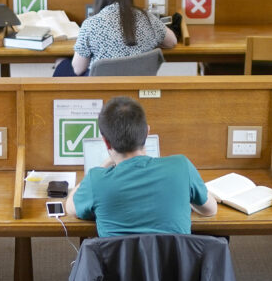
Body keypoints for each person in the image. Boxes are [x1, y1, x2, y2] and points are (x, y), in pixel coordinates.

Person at [65, 97, 217, 237]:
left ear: (105, 142)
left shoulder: (96, 180)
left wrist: (104, 164)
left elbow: (71, 208)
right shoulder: (181, 166)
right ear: (147, 132)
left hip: (119, 267)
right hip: (174, 266)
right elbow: (210, 210)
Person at [55, 0, 177, 76]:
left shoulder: (91, 24)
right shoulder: (147, 17)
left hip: (101, 90)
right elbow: (172, 42)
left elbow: (78, 69)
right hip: (138, 88)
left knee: (61, 63)